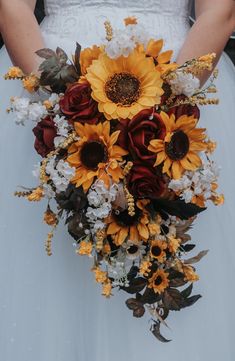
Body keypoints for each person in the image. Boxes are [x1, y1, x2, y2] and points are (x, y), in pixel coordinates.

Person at [0, 1, 234, 360]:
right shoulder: (61, 108)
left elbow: (220, 12)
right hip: (51, 79)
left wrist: (161, 122)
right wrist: (68, 119)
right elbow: (12, 10)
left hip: (179, 83)